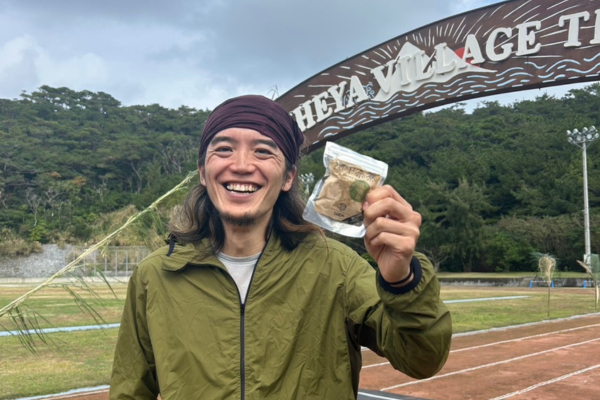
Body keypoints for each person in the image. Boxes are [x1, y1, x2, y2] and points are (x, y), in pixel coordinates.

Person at [109, 95, 452, 400]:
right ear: (203, 171)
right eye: (224, 149)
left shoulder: (335, 268)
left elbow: (421, 359)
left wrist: (402, 280)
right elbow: (130, 391)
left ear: (288, 177)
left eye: (263, 151)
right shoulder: (156, 276)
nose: (241, 165)